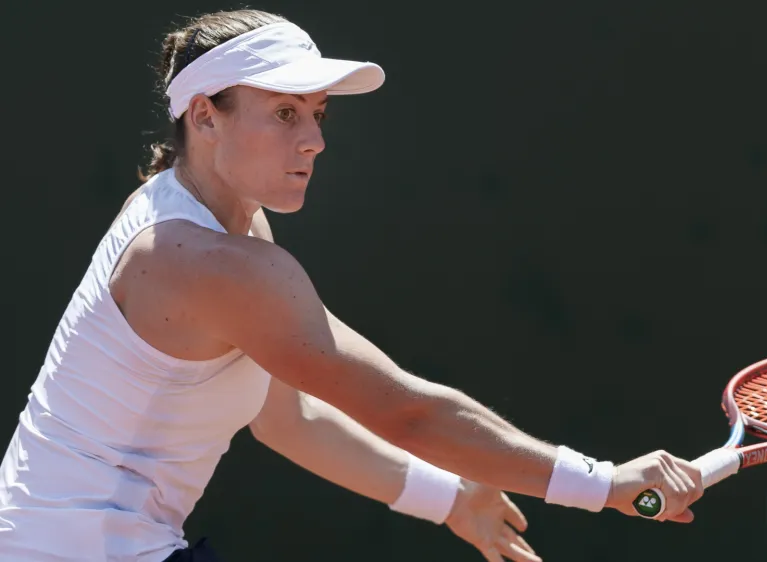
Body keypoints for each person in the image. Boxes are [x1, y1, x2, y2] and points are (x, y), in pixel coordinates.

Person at [0, 8, 703, 562]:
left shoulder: (204, 221)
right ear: (204, 116)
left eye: (317, 115)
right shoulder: (207, 262)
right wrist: (602, 483)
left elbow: (287, 417)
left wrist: (451, 498)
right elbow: (409, 413)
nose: (314, 140)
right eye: (284, 113)